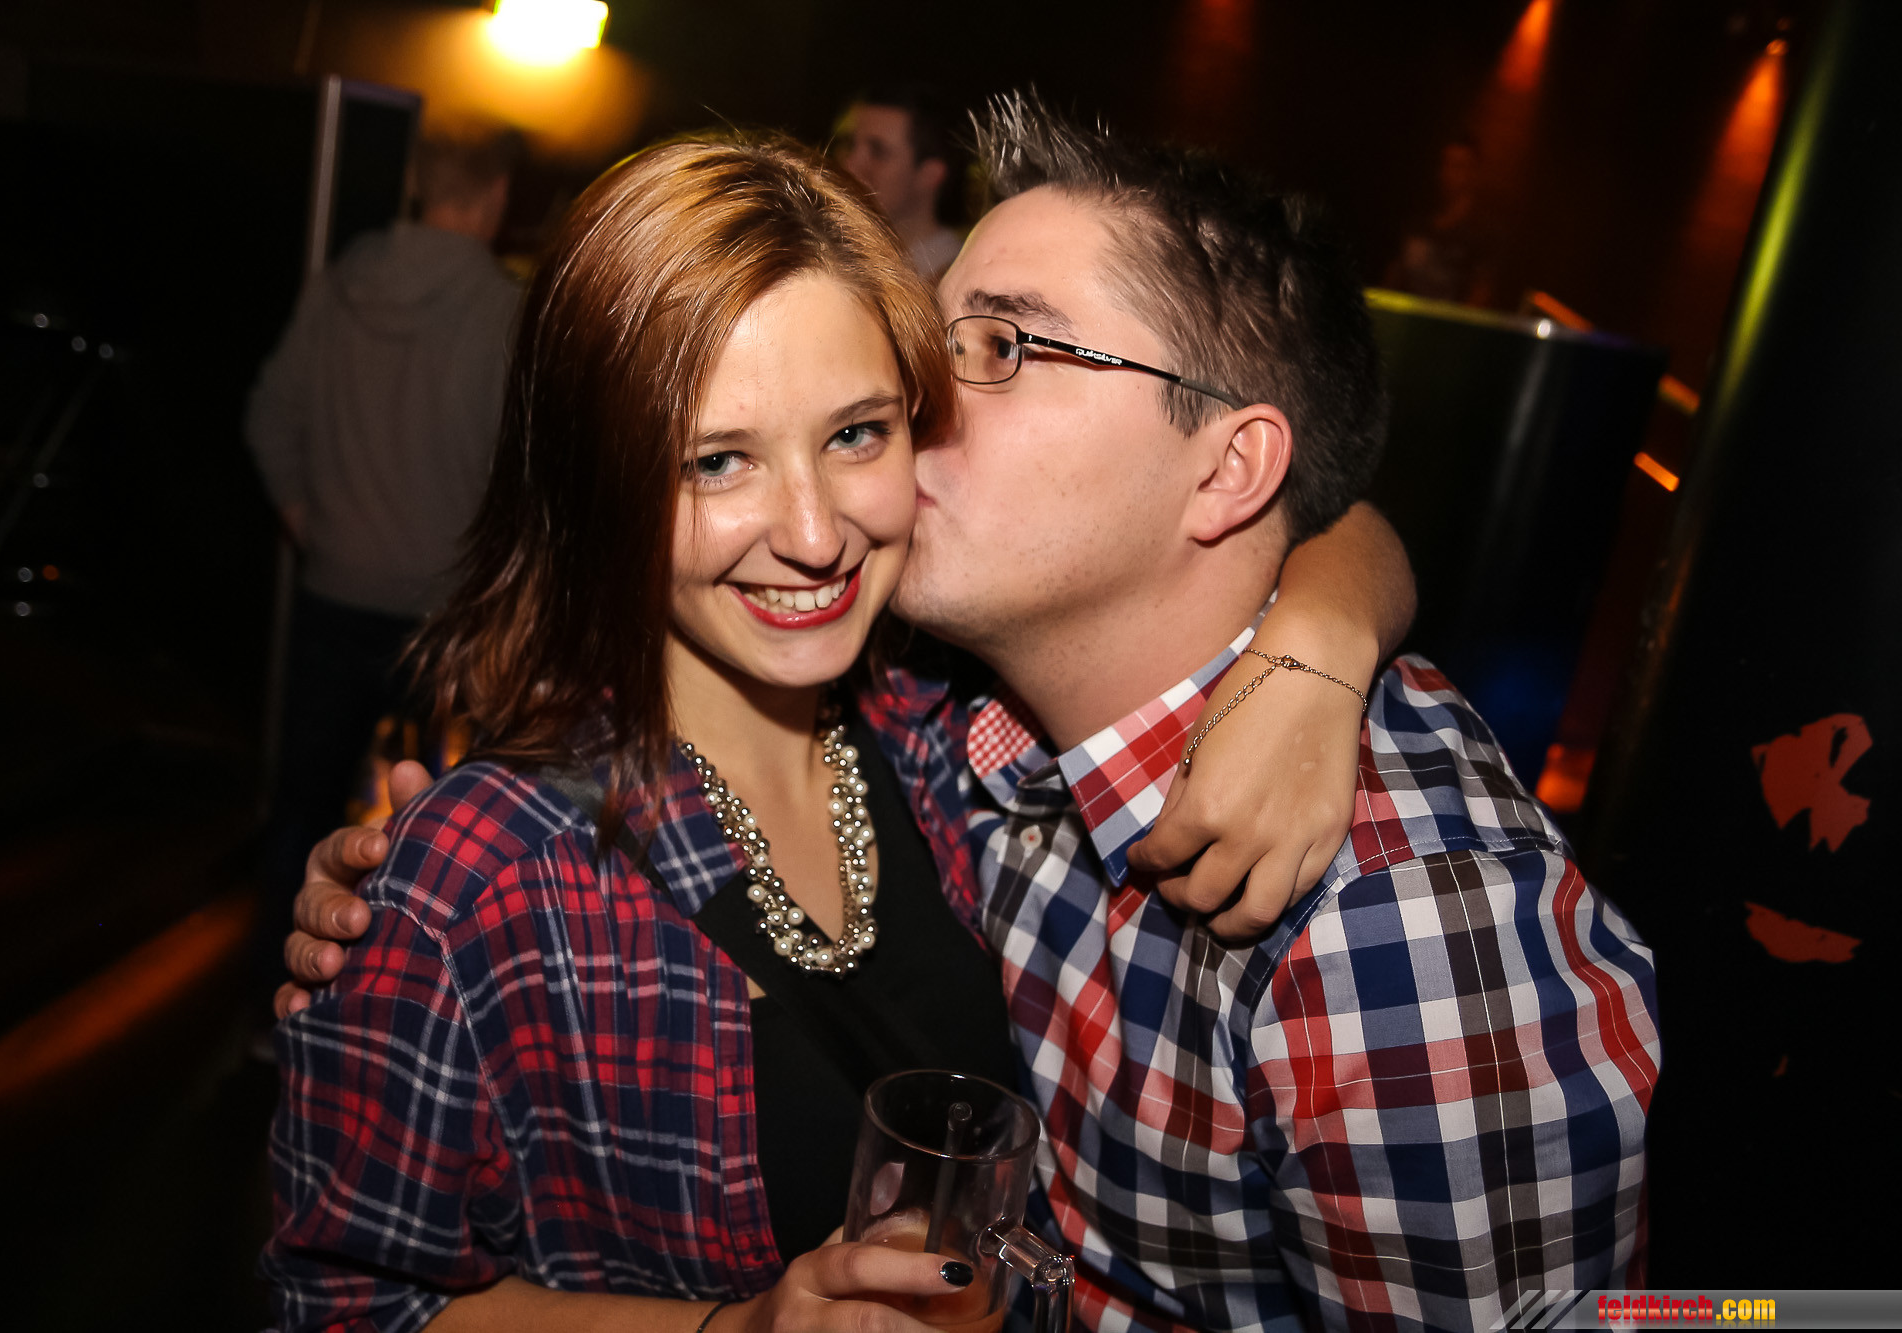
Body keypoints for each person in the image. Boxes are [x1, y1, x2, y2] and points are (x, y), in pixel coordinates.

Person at [287, 97, 1660, 1331]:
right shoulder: (974, 737)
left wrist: (1323, 643)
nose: (826, 515)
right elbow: (350, 1289)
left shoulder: (1387, 926)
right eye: (717, 458)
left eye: (996, 349)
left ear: (1227, 470)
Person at [246, 126, 524, 995]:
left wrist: (312, 522)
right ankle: (409, 1011)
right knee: (448, 834)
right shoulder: (504, 311)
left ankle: (276, 1003)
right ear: (496, 195)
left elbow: (268, 415)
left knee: (305, 812)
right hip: (448, 616)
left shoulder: (341, 283)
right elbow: (522, 472)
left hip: (335, 590)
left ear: (415, 183)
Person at [836, 83, 967, 279]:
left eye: (878, 151)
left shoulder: (953, 279)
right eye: (848, 144)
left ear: (930, 174)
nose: (849, 164)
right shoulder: (833, 252)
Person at [1382, 137, 1501, 307]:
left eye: (1458, 166)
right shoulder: (1417, 223)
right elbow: (1393, 276)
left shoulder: (1483, 233)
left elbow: (1480, 295)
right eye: (1445, 163)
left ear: (1474, 173)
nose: (1448, 173)